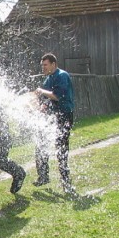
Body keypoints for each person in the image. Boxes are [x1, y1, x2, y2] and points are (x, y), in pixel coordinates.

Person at [33, 53, 75, 193]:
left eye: (45, 65)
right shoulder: (49, 78)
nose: (43, 68)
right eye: (42, 65)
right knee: (41, 142)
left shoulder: (62, 75)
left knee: (61, 149)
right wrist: (43, 106)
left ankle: (66, 183)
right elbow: (47, 98)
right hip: (53, 116)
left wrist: (41, 91)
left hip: (64, 116)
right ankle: (43, 176)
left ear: (53, 64)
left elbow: (56, 96)